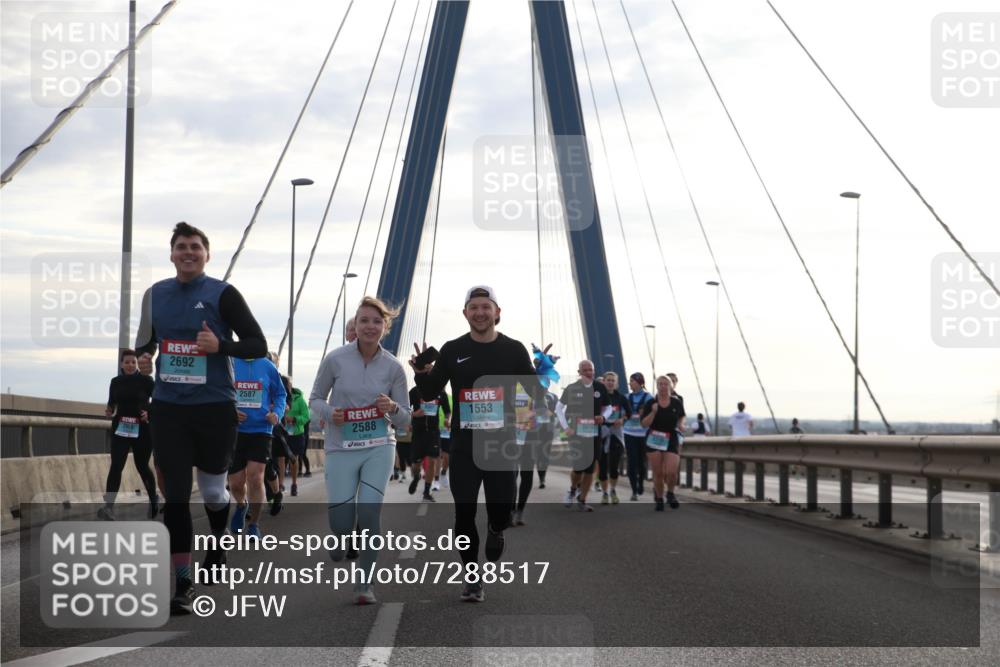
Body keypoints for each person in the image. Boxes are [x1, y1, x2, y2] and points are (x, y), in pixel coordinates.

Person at [135, 222, 268, 614]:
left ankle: (218, 543)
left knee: (212, 493)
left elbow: (257, 344)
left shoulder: (223, 294)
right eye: (181, 247)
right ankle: (182, 582)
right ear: (171, 253)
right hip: (169, 409)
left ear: (207, 254)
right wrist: (144, 359)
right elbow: (143, 342)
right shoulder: (154, 294)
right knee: (175, 495)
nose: (188, 252)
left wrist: (220, 345)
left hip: (214, 409)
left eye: (195, 247)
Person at [411, 285, 548, 602]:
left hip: (501, 446)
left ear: (497, 312)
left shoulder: (513, 350)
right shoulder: (451, 349)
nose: (480, 313)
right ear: (465, 314)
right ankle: (472, 577)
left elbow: (534, 394)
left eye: (486, 307)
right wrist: (422, 372)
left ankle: (497, 529)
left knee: (502, 511)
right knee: (463, 514)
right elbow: (431, 392)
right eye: (474, 307)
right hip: (464, 445)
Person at [309, 296, 410, 605]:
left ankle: (364, 585)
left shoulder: (394, 367)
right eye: (364, 321)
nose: (370, 326)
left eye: (376, 321)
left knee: (369, 512)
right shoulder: (335, 359)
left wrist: (391, 407)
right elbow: (314, 400)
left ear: (385, 327)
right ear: (355, 325)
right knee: (341, 519)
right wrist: (330, 413)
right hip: (341, 446)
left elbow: (405, 420)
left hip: (379, 447)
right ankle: (341, 536)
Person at [229, 356, 285, 538]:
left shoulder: (268, 366)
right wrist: (230, 410)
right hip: (235, 430)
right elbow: (218, 391)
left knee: (256, 477)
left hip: (261, 430)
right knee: (236, 483)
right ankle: (241, 504)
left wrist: (276, 413)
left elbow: (280, 394)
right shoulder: (230, 362)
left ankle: (254, 525)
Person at [100, 349, 158, 520]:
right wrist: (109, 410)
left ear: (137, 364)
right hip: (121, 428)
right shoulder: (115, 382)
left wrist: (150, 412)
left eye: (133, 362)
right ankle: (108, 507)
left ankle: (153, 499)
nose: (131, 365)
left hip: (142, 429)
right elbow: (111, 402)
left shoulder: (147, 380)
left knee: (142, 466)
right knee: (116, 465)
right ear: (121, 364)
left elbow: (158, 400)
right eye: (127, 362)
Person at [556, 360, 610, 512]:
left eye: (590, 369)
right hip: (576, 434)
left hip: (594, 434)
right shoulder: (572, 388)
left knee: (590, 469)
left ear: (594, 371)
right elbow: (558, 409)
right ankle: (573, 489)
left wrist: (604, 417)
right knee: (578, 467)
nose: (588, 372)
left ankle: (582, 499)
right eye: (585, 370)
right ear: (579, 372)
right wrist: (566, 427)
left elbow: (609, 407)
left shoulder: (600, 387)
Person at [640, 375, 685, 511]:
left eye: (666, 384)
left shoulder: (676, 402)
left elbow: (682, 415)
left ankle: (670, 493)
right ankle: (659, 498)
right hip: (655, 437)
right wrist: (653, 412)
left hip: (671, 437)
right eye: (660, 384)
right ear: (657, 386)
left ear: (671, 386)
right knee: (658, 473)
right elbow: (643, 424)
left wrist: (681, 424)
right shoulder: (650, 403)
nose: (663, 386)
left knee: (671, 472)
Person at [408, 385, 451, 501]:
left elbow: (447, 411)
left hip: (433, 432)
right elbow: (404, 409)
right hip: (418, 431)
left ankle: (427, 491)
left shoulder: (440, 392)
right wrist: (414, 414)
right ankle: (416, 477)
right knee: (416, 464)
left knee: (432, 460)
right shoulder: (415, 391)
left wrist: (448, 419)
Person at [599, 371, 629, 505]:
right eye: (608, 380)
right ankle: (604, 493)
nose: (610, 382)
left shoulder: (621, 398)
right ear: (604, 381)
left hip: (616, 434)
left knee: (614, 466)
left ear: (616, 383)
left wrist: (622, 420)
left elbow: (629, 414)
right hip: (602, 433)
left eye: (613, 380)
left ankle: (613, 490)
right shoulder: (598, 397)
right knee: (603, 466)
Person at [623, 372, 652, 501]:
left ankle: (641, 481)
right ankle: (634, 490)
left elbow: (652, 414)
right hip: (629, 433)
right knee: (632, 462)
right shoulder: (626, 397)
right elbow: (621, 413)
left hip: (643, 433)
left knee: (642, 462)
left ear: (640, 382)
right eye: (629, 381)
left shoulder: (648, 397)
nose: (630, 383)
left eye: (632, 381)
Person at [283, 383, 310, 496]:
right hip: (281, 433)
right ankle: (280, 484)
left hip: (296, 433)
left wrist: (294, 419)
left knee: (294, 459)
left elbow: (306, 416)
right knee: (280, 460)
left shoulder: (299, 400)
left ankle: (294, 484)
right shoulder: (278, 397)